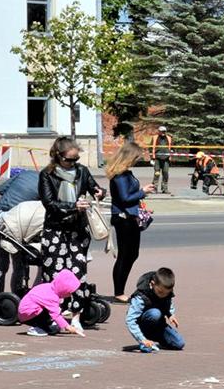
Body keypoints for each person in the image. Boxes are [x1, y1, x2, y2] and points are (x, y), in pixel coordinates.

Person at [35, 136, 104, 328]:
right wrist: (73, 206)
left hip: (77, 230)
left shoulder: (81, 171)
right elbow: (49, 203)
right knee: (53, 275)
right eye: (69, 159)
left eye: (76, 159)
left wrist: (99, 191)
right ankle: (52, 316)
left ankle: (75, 317)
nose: (73, 163)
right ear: (58, 156)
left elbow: (94, 187)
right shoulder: (47, 174)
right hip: (55, 231)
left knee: (78, 273)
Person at [106, 141, 148, 301]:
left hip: (130, 216)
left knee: (132, 254)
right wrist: (142, 192)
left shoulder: (125, 173)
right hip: (124, 218)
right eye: (136, 157)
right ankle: (119, 292)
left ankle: (120, 290)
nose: (138, 160)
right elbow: (125, 198)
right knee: (125, 255)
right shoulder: (120, 176)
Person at [125, 268, 183, 352]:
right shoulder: (140, 296)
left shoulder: (165, 291)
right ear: (152, 284)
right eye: (160, 292)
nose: (163, 295)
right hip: (143, 324)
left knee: (179, 343)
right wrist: (141, 339)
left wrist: (170, 314)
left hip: (158, 324)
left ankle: (157, 337)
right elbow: (130, 320)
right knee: (155, 313)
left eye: (167, 293)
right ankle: (145, 340)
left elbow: (169, 302)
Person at [18, 269, 87, 337]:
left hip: (26, 312)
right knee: (52, 315)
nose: (69, 295)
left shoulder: (49, 287)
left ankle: (44, 326)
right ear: (63, 289)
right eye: (69, 292)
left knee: (54, 318)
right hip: (29, 315)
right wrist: (68, 327)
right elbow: (55, 315)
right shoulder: (52, 297)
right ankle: (36, 328)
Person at [149, 126, 174, 195]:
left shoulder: (169, 138)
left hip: (166, 159)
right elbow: (150, 148)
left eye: (164, 131)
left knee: (165, 173)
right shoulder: (154, 138)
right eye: (162, 131)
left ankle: (164, 188)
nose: (163, 133)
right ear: (159, 131)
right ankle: (154, 188)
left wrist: (170, 155)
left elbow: (172, 148)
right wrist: (151, 158)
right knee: (157, 173)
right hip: (157, 158)